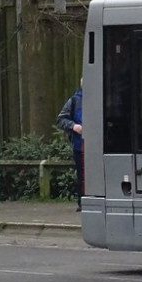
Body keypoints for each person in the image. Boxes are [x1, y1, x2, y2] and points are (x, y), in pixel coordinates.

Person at [56, 81, 83, 212]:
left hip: (100, 146)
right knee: (82, 174)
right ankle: (82, 202)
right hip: (80, 146)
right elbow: (61, 120)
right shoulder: (74, 101)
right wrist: (74, 126)